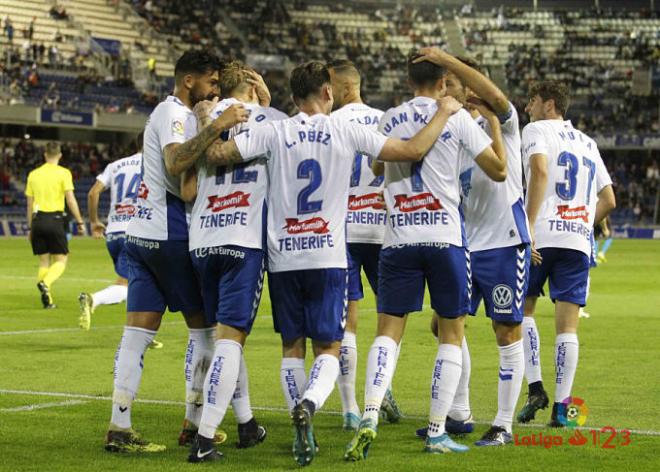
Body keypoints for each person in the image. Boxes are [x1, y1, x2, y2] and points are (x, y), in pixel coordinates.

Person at [205, 60, 463, 466]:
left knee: (292, 346)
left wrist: (210, 122)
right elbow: (412, 150)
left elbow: (218, 153)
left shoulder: (273, 130)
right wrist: (445, 112)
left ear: (292, 98)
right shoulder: (345, 127)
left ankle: (298, 430)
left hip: (283, 256)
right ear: (328, 93)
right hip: (327, 254)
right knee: (330, 345)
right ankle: (310, 402)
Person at [344, 52, 505, 460]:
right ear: (444, 81)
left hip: (398, 238)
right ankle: (436, 432)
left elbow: (378, 169)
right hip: (445, 237)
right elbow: (499, 170)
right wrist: (497, 129)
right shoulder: (455, 116)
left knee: (387, 331)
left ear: (410, 79)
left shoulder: (389, 117)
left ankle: (369, 416)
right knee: (452, 333)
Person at [105, 50, 249, 453]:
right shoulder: (175, 113)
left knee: (136, 334)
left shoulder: (167, 112)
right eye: (212, 83)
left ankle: (119, 426)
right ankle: (194, 422)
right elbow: (174, 162)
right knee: (205, 332)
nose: (215, 90)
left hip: (142, 235)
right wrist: (217, 124)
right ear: (190, 81)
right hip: (171, 235)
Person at [411, 47, 535, 446]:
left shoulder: (506, 124)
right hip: (466, 244)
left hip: (503, 243)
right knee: (443, 324)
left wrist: (447, 60)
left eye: (462, 85)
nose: (456, 92)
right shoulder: (456, 131)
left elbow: (497, 101)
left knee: (506, 330)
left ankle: (502, 424)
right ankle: (459, 412)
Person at [180, 60, 279, 462]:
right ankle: (204, 440)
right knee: (231, 340)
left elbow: (187, 190)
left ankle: (246, 423)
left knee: (225, 339)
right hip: (243, 240)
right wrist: (268, 104)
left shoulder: (203, 123)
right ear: (255, 87)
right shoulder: (271, 120)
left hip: (202, 240)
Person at [517, 81, 616, 426]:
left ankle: (535, 388)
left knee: (523, 310)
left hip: (541, 235)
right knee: (568, 328)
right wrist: (583, 225)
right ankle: (561, 408)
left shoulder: (535, 129)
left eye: (532, 101)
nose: (527, 108)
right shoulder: (588, 142)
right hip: (576, 240)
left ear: (548, 104)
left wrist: (527, 228)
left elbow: (541, 172)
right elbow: (609, 199)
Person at [326, 59, 401, 431]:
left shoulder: (329, 124)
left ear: (342, 88)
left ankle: (350, 407)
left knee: (347, 323)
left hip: (342, 232)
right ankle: (380, 386)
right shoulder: (386, 119)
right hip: (384, 232)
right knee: (390, 320)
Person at [79, 134, 151, 333]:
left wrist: (94, 222)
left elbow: (93, 193)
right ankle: (94, 299)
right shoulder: (154, 163)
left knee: (137, 283)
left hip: (114, 233)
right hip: (138, 232)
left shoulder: (115, 165)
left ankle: (141, 331)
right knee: (137, 283)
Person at [25, 141, 85, 309]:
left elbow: (29, 204)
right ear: (59, 155)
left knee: (44, 262)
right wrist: (80, 221)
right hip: (55, 220)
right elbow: (70, 199)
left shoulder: (33, 174)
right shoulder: (63, 173)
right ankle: (45, 282)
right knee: (61, 259)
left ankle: (48, 301)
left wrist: (30, 227)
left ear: (45, 154)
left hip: (37, 220)